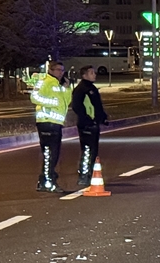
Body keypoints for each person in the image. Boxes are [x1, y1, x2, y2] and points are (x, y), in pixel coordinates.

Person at [30, 61, 68, 192]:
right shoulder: (44, 81)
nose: (61, 72)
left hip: (56, 123)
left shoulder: (58, 84)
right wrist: (52, 103)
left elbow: (66, 102)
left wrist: (67, 88)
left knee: (53, 154)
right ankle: (49, 182)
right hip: (46, 122)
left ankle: (43, 181)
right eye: (58, 70)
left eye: (62, 70)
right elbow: (34, 97)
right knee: (50, 154)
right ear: (51, 70)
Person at [70, 65, 109, 187]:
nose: (94, 74)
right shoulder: (82, 89)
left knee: (93, 150)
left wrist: (102, 118)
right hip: (86, 125)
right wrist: (87, 120)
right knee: (87, 150)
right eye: (91, 73)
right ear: (84, 75)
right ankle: (84, 175)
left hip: (93, 124)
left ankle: (90, 174)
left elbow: (96, 106)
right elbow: (77, 106)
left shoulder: (91, 88)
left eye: (94, 72)